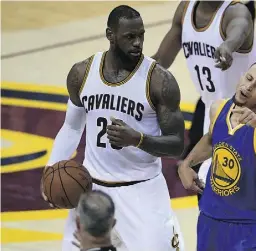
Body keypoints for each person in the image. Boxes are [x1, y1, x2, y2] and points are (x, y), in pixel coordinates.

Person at [153, 1, 256, 250]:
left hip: (250, 115)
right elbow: (161, 58)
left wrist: (227, 46)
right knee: (219, 191)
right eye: (248, 78)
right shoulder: (187, 9)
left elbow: (239, 29)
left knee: (222, 184)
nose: (249, 82)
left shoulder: (236, 12)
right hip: (214, 108)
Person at [41, 5, 185, 251]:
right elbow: (72, 128)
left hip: (141, 189)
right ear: (110, 35)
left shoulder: (159, 81)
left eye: (141, 35)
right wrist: (49, 171)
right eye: (130, 36)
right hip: (92, 189)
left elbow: (177, 144)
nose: (138, 43)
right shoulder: (82, 73)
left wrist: (137, 139)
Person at [179, 59, 256, 250]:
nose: (247, 87)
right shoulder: (219, 108)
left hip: (251, 229)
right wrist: (186, 164)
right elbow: (211, 138)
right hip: (210, 220)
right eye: (248, 78)